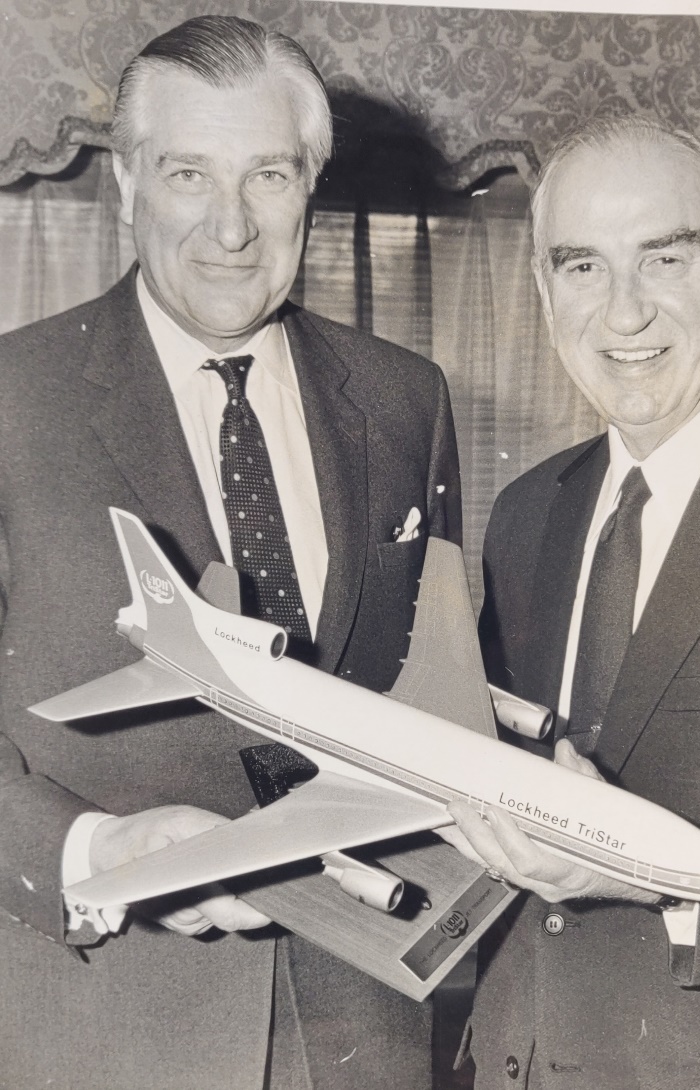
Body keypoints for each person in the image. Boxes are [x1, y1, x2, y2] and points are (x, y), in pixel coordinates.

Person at [0, 16, 460, 1090]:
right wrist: (86, 854)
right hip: (102, 1027)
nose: (231, 227)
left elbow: (438, 696)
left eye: (267, 175)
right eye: (188, 174)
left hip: (365, 1030)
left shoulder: (404, 401)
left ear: (310, 185)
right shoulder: (12, 401)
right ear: (125, 184)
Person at [442, 116, 700, 1089]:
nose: (622, 315)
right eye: (581, 268)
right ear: (543, 292)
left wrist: (647, 867)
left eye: (663, 258)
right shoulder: (531, 511)